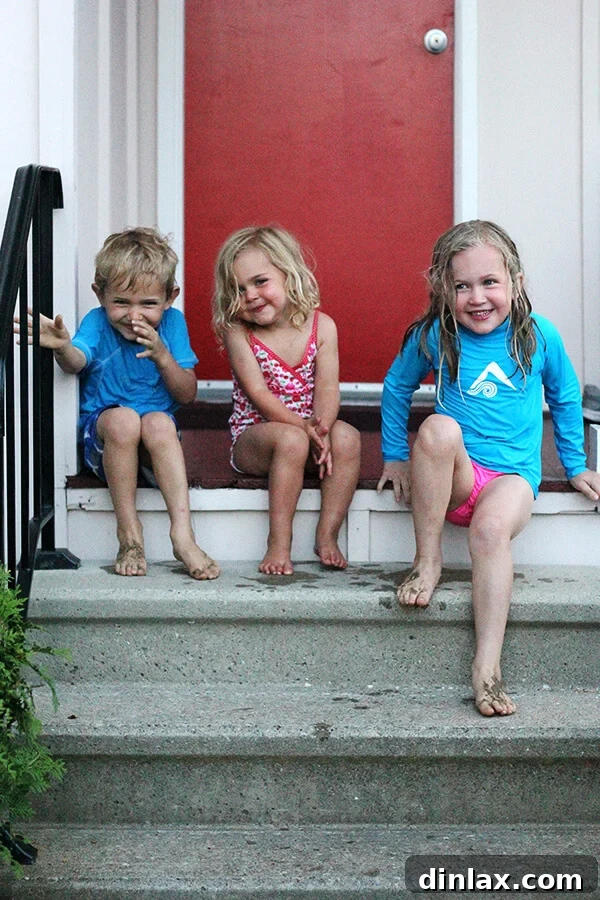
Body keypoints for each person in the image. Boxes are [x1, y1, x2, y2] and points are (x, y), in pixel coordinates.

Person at [377, 220, 600, 717]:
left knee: (490, 530)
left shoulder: (540, 335)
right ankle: (427, 559)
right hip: (454, 478)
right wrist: (394, 455)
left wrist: (576, 463)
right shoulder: (437, 334)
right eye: (462, 286)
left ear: (515, 281)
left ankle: (487, 667)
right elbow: (395, 388)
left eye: (489, 282)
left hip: (510, 479)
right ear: (444, 290)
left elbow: (564, 397)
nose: (477, 297)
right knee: (438, 428)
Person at [18, 227, 220, 581]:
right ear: (100, 294)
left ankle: (183, 535)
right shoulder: (96, 323)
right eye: (122, 302)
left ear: (170, 297)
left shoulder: (173, 324)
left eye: (148, 304)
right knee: (125, 420)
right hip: (107, 443)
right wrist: (63, 346)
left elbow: (186, 393)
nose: (133, 315)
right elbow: (76, 362)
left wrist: (162, 355)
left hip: (155, 450)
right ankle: (129, 536)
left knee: (158, 421)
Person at [213, 225, 361, 575]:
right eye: (238, 288)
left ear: (289, 274)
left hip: (308, 435)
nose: (249, 295)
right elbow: (259, 395)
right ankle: (279, 543)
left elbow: (327, 388)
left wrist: (321, 428)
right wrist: (303, 428)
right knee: (291, 439)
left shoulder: (322, 326)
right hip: (257, 438)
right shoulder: (239, 332)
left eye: (260, 282)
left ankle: (327, 535)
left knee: (349, 437)